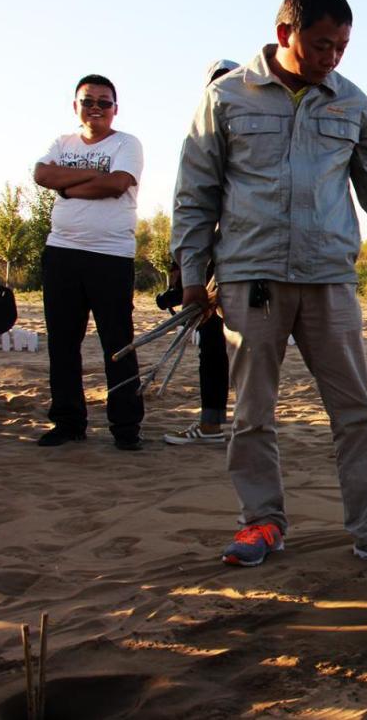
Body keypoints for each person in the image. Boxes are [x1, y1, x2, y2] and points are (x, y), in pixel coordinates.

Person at [172, 0, 367, 570]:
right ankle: (261, 522)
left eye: (341, 46)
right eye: (320, 44)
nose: (331, 57)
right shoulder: (226, 99)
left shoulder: (352, 102)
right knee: (252, 412)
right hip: (251, 278)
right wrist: (191, 273)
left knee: (356, 412)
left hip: (330, 278)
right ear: (285, 34)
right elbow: (195, 193)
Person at [33, 75, 144, 451]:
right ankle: (68, 421)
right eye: (88, 101)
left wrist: (66, 186)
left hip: (110, 256)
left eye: (104, 102)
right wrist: (92, 175)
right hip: (62, 252)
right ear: (75, 105)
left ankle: (126, 426)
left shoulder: (127, 143)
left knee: (118, 342)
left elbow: (117, 184)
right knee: (63, 342)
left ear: (115, 107)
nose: (95, 108)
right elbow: (42, 174)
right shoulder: (61, 142)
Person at [162, 60, 240, 446]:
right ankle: (212, 423)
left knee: (255, 345)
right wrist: (186, 269)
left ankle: (252, 427)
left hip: (251, 256)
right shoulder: (199, 139)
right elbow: (189, 205)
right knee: (211, 343)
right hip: (211, 261)